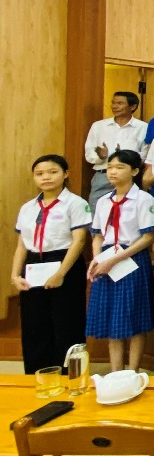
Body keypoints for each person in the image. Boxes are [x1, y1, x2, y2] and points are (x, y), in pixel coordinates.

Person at [11, 154, 90, 374]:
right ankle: (37, 376)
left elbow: (79, 241)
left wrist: (61, 273)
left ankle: (69, 377)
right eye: (40, 174)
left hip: (65, 262)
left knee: (67, 323)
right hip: (33, 264)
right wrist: (15, 275)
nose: (46, 177)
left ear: (65, 174)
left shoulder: (76, 203)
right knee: (34, 325)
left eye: (53, 172)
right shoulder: (28, 207)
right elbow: (22, 245)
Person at [86, 150, 154, 372]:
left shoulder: (144, 199)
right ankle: (116, 372)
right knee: (112, 318)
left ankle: (133, 372)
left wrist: (115, 259)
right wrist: (97, 259)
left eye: (119, 167)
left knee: (135, 317)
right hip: (107, 257)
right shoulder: (103, 201)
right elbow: (97, 235)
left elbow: (148, 237)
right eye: (110, 167)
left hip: (132, 258)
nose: (112, 172)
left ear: (135, 171)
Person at [84, 91, 147, 210]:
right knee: (96, 210)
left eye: (120, 103)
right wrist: (101, 157)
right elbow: (89, 152)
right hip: (103, 176)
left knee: (126, 211)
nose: (114, 106)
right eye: (113, 103)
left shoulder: (143, 127)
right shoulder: (98, 126)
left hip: (129, 177)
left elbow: (145, 154)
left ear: (133, 106)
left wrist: (125, 157)